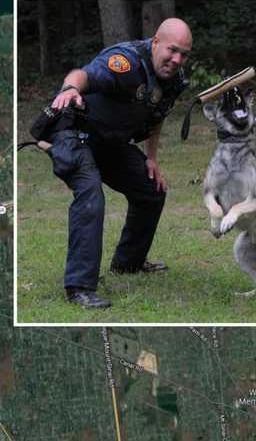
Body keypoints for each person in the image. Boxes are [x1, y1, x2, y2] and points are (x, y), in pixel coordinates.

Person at [49, 18, 193, 308]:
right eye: (172, 50)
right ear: (155, 42)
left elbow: (157, 114)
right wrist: (68, 89)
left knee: (151, 189)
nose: (177, 59)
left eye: (184, 54)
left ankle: (128, 263)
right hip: (74, 134)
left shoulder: (173, 78)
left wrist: (151, 158)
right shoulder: (124, 62)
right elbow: (83, 75)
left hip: (109, 143)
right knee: (90, 194)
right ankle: (79, 287)